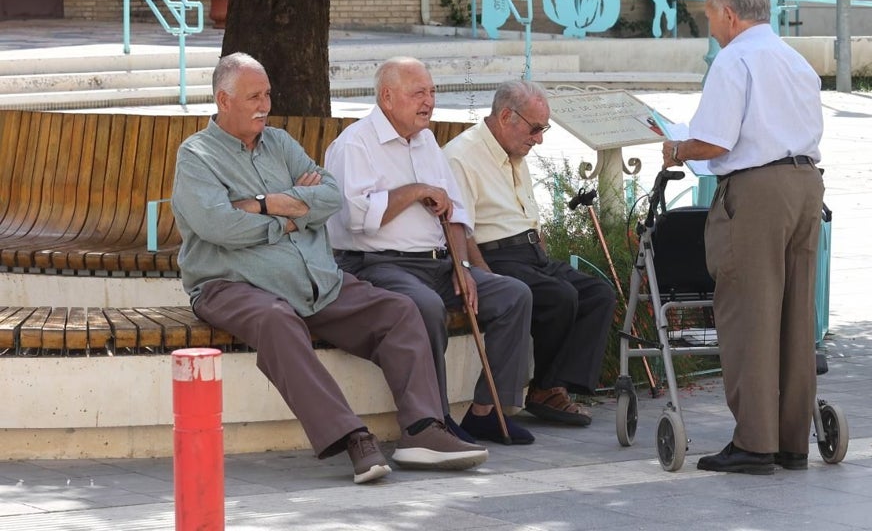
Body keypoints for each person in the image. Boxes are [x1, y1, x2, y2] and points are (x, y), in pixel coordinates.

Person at [171, 53, 488, 485]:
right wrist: (282, 210)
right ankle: (352, 437)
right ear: (224, 101)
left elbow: (330, 197)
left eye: (267, 94)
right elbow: (218, 225)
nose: (265, 104)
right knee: (277, 320)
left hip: (316, 281)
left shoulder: (279, 143)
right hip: (231, 284)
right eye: (254, 97)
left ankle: (421, 431)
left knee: (399, 311)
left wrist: (264, 206)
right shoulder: (197, 156)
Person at [661, 0, 825, 475]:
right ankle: (792, 441)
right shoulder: (794, 60)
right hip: (805, 185)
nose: (710, 26)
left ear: (729, 14)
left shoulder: (734, 60)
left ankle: (755, 443)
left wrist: (677, 146)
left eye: (710, 15)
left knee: (750, 314)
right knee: (797, 317)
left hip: (757, 191)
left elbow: (715, 142)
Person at [324, 58, 536, 445]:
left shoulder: (425, 142)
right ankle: (434, 419)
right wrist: (416, 191)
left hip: (438, 263)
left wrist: (463, 266)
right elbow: (357, 217)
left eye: (433, 92)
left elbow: (455, 213)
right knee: (426, 306)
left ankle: (486, 411)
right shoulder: (355, 144)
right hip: (376, 263)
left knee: (513, 295)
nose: (429, 102)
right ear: (387, 97)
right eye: (418, 92)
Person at [444, 80, 617, 426]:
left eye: (543, 128)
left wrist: (543, 254)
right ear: (507, 116)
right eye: (535, 128)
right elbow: (461, 228)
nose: (540, 138)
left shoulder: (514, 147)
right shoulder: (461, 155)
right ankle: (547, 390)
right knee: (560, 297)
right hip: (495, 257)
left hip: (530, 253)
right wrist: (486, 277)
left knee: (599, 294)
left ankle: (554, 386)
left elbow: (528, 217)